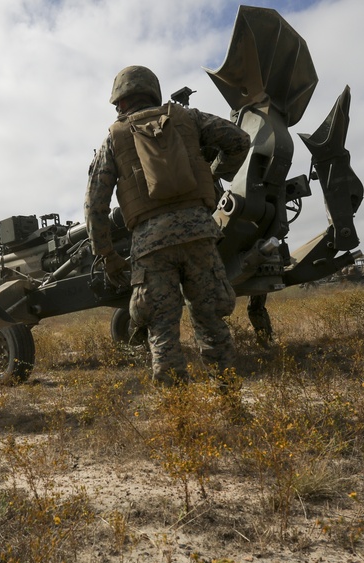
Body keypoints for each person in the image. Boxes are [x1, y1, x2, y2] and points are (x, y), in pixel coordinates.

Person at [85, 65, 251, 385]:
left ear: (121, 101)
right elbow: (239, 140)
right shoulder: (189, 118)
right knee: (211, 323)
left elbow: (95, 204)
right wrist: (215, 172)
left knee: (162, 332)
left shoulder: (115, 137)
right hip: (199, 235)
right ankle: (230, 402)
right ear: (152, 91)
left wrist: (107, 255)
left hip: (150, 245)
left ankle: (178, 417)